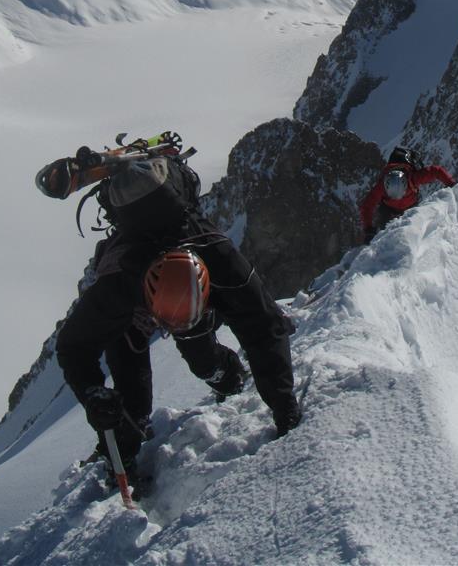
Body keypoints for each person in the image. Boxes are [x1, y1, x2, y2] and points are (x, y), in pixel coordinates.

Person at [37, 138, 302, 480]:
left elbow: (264, 326)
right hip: (136, 301)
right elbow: (74, 347)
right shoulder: (120, 284)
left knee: (203, 361)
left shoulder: (222, 260)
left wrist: (284, 405)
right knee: (129, 389)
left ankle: (226, 377)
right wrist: (94, 396)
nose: (171, 329)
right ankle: (122, 450)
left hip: (180, 284)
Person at [359, 146, 455, 243]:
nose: (398, 198)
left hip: (396, 208)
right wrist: (368, 229)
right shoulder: (408, 179)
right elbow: (436, 171)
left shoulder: (410, 179)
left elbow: (436, 171)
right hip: (397, 208)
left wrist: (368, 229)